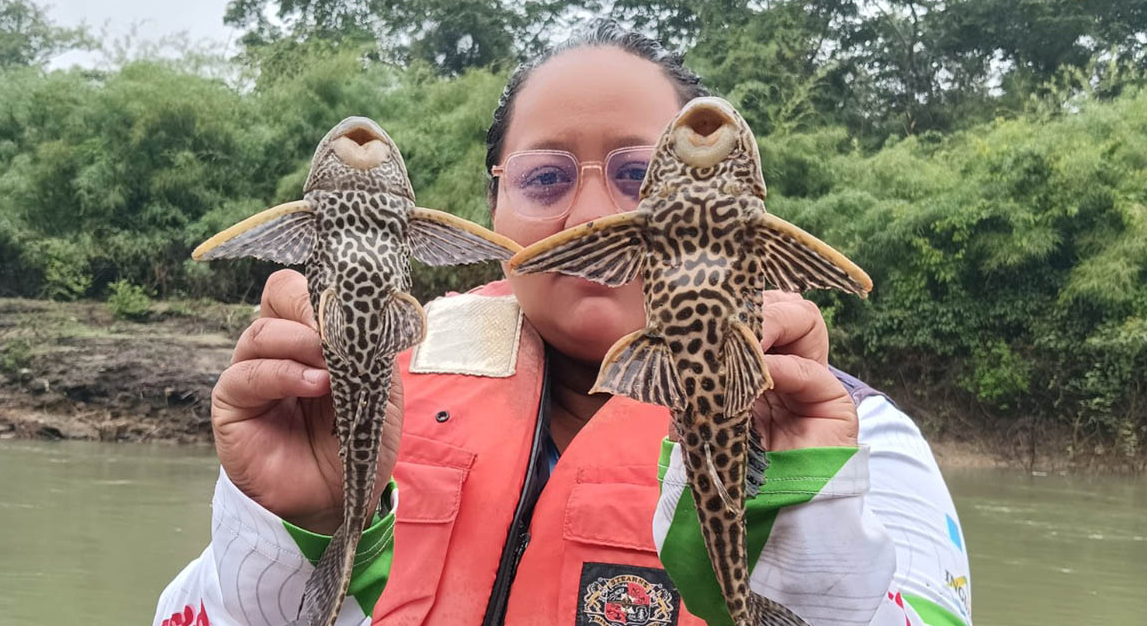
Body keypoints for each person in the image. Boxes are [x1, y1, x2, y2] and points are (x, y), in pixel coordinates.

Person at [154, 19, 972, 626]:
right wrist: (287, 528)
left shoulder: (856, 437)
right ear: (488, 212)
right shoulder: (345, 397)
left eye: (637, 173)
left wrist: (803, 520)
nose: (585, 214)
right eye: (544, 178)